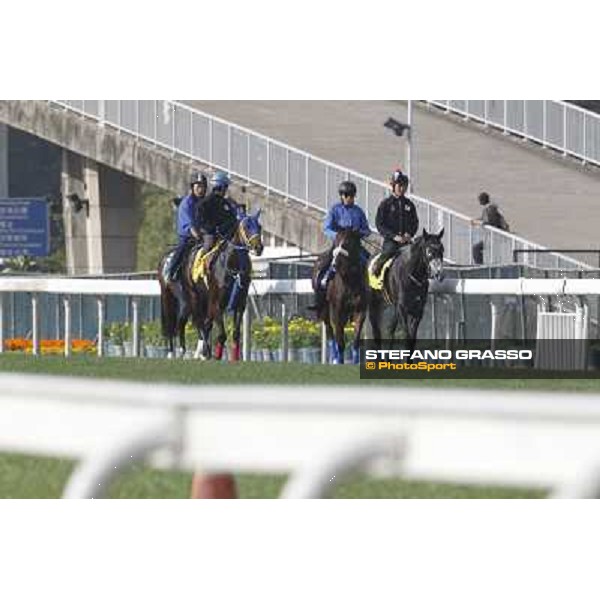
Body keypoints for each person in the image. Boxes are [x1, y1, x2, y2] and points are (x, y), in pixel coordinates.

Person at [308, 180, 371, 311]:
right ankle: (319, 297)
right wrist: (338, 236)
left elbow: (366, 229)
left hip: (355, 247)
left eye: (352, 196)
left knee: (369, 263)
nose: (350, 198)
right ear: (342, 196)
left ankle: (370, 297)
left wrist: (359, 233)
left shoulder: (358, 211)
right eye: (348, 196)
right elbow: (326, 228)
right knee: (323, 266)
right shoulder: (335, 210)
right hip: (338, 246)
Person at [370, 169, 419, 276]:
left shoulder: (409, 204)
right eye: (399, 185)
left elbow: (415, 223)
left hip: (406, 241)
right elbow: (380, 224)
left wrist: (409, 234)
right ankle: (376, 269)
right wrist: (394, 236)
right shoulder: (385, 204)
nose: (402, 188)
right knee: (389, 252)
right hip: (391, 242)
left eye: (404, 186)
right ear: (393, 186)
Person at [166, 172, 207, 282]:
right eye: (198, 186)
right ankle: (170, 273)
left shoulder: (206, 203)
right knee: (182, 249)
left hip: (204, 237)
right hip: (188, 237)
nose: (201, 189)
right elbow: (190, 226)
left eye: (203, 186)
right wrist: (199, 237)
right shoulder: (186, 203)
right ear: (192, 187)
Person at [197, 171, 239, 255]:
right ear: (220, 187)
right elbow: (202, 222)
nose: (226, 190)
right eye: (225, 187)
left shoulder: (226, 203)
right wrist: (215, 229)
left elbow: (232, 219)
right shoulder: (205, 203)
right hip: (210, 234)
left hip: (225, 234)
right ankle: (199, 264)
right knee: (209, 244)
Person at [471, 191, 510, 265]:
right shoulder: (489, 208)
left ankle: (480, 266)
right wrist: (475, 220)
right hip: (492, 236)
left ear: (482, 200)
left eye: (479, 200)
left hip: (495, 236)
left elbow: (489, 222)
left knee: (476, 249)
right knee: (478, 249)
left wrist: (477, 222)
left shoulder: (490, 208)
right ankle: (481, 265)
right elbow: (484, 218)